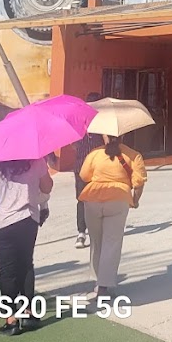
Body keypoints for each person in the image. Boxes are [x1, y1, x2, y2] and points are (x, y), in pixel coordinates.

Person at [0, 157, 53, 335]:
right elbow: (47, 188)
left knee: (7, 270)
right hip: (28, 218)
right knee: (26, 265)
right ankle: (28, 312)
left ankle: (11, 319)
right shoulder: (37, 161)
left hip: (4, 222)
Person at [78, 134, 147, 300]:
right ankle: (104, 286)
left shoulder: (94, 153)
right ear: (123, 134)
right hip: (119, 199)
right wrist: (135, 201)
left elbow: (84, 176)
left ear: (104, 136)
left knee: (96, 242)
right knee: (112, 243)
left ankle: (97, 282)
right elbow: (138, 183)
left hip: (92, 198)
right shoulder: (134, 155)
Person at [73, 92, 103, 248]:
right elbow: (73, 142)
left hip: (95, 166)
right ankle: (82, 232)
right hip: (83, 166)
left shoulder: (102, 123)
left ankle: (89, 231)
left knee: (93, 199)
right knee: (83, 199)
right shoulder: (79, 122)